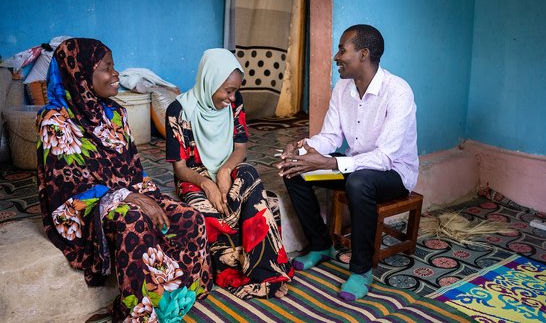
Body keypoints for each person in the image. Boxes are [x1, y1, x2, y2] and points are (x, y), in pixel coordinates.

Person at [36, 38, 213, 322]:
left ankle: (178, 298)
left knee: (188, 217)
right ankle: (140, 312)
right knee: (133, 220)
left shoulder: (115, 113)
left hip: (127, 195)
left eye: (114, 67)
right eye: (107, 68)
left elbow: (134, 171)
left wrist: (151, 198)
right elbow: (67, 189)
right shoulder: (56, 123)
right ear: (80, 74)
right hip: (83, 209)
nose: (116, 75)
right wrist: (126, 197)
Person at [277, 24, 418, 301]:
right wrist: (304, 148)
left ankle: (362, 270)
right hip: (354, 166)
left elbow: (384, 156)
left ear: (363, 54)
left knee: (359, 182)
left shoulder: (398, 91)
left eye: (343, 49)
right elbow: (331, 136)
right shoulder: (343, 88)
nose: (336, 56)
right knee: (295, 170)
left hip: (393, 174)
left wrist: (331, 164)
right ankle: (321, 245)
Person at [165, 48, 293, 300]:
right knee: (211, 214)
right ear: (208, 81)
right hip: (194, 176)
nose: (232, 98)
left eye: (235, 91)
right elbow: (180, 168)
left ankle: (265, 272)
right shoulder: (178, 111)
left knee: (249, 175)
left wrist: (224, 171)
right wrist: (207, 184)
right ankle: (236, 272)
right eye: (227, 91)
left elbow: (241, 148)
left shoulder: (235, 103)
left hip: (228, 167)